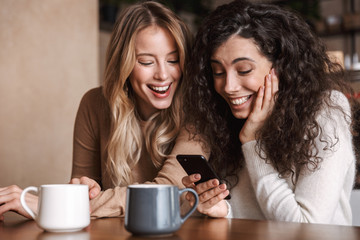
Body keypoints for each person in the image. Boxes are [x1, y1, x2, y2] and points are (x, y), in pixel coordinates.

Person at [0, 1, 194, 220]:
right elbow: (83, 193)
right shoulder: (94, 104)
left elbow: (166, 192)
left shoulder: (199, 111)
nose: (163, 74)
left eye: (173, 60)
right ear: (124, 63)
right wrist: (85, 190)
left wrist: (49, 205)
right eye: (147, 62)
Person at [181, 0, 359, 225]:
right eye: (218, 72)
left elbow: (306, 226)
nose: (228, 86)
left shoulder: (324, 111)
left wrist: (253, 144)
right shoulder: (225, 117)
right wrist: (223, 210)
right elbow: (251, 217)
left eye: (244, 70)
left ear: (282, 66)